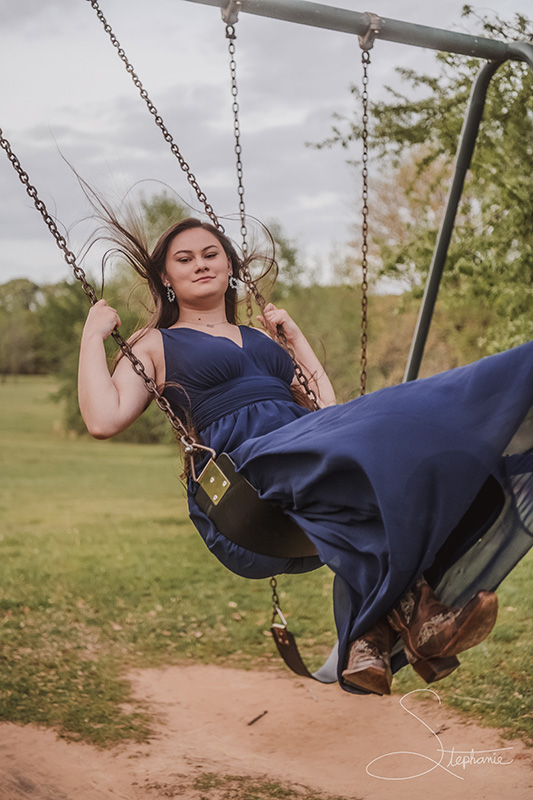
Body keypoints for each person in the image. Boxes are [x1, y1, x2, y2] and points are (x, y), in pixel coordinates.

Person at [78, 216, 533, 696]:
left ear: (229, 263)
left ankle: (374, 638)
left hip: (305, 452)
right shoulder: (154, 343)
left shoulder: (260, 339)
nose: (201, 265)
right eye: (184, 259)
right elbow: (103, 420)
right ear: (166, 278)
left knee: (400, 447)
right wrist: (93, 336)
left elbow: (327, 411)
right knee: (373, 430)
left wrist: (295, 340)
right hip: (243, 478)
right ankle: (402, 624)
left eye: (211, 254)